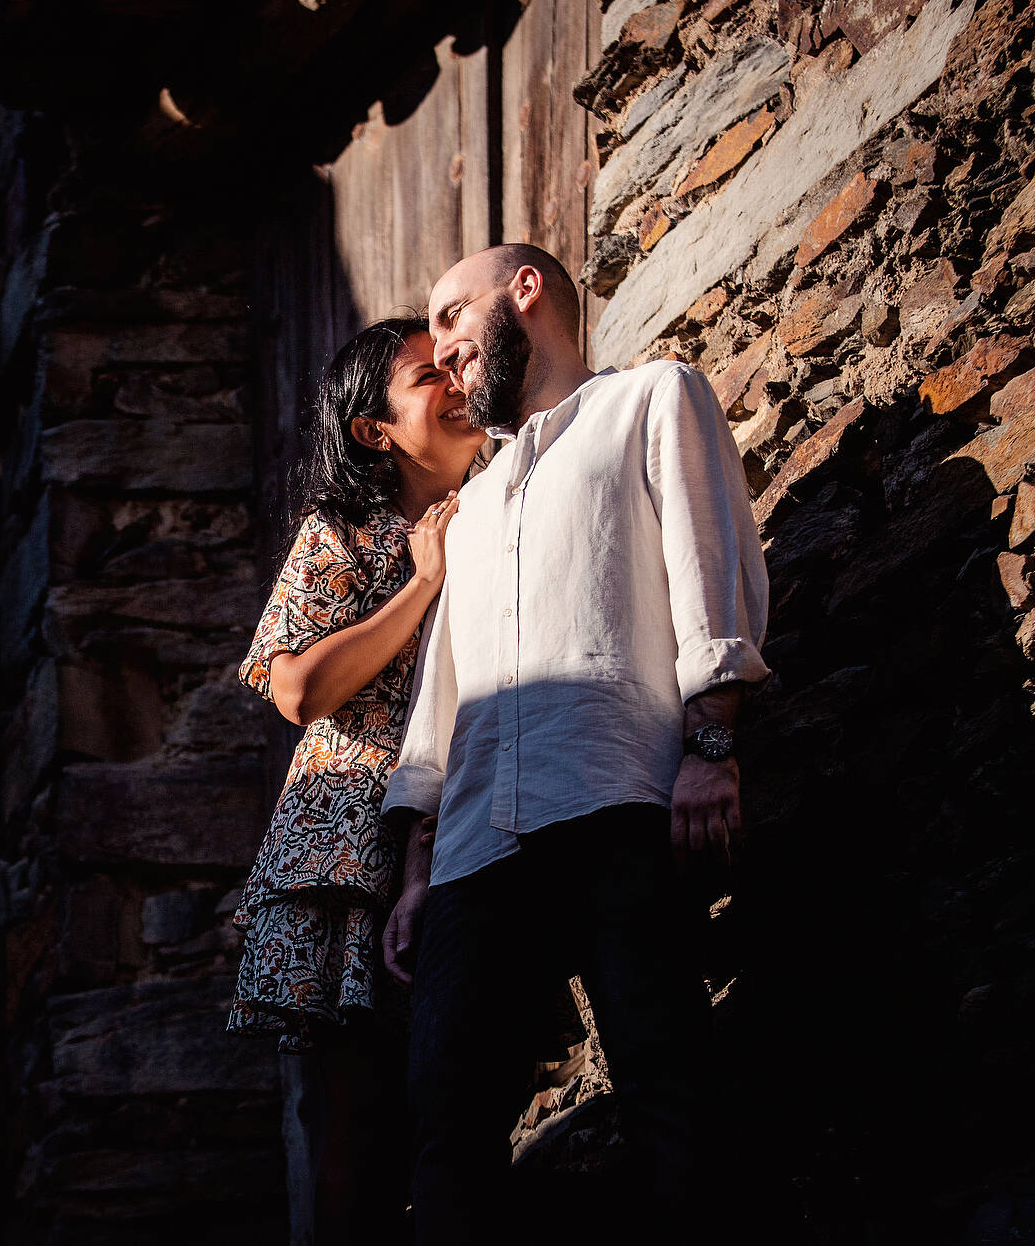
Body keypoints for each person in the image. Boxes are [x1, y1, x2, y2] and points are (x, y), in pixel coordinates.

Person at [380, 244, 771, 1241]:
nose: (443, 347)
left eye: (453, 314)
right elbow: (444, 691)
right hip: (471, 846)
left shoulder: (648, 398)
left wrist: (709, 746)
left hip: (610, 796)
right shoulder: (470, 504)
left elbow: (707, 563)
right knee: (445, 1127)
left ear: (525, 292)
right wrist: (419, 865)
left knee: (664, 1080)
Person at [225, 317, 484, 1244]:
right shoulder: (343, 532)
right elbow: (294, 686)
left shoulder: (505, 496)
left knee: (457, 1094)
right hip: (349, 848)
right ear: (377, 430)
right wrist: (422, 586)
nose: (456, 382)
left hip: (467, 819)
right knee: (359, 1118)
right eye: (427, 377)